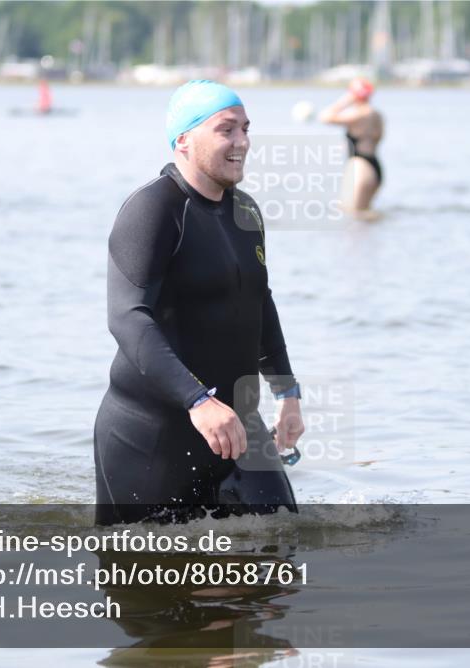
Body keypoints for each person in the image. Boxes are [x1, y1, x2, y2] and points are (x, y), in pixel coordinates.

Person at [93, 80, 305, 526]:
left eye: (245, 129)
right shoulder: (153, 210)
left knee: (283, 543)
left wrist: (287, 392)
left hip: (236, 424)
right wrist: (198, 401)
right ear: (184, 140)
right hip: (152, 434)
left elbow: (259, 301)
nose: (242, 142)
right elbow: (127, 317)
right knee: (154, 565)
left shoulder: (246, 212)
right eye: (226, 130)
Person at [318, 77, 384, 217]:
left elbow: (325, 117)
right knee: (366, 213)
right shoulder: (377, 115)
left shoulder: (360, 114)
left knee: (355, 214)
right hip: (374, 166)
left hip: (361, 166)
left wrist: (344, 101)